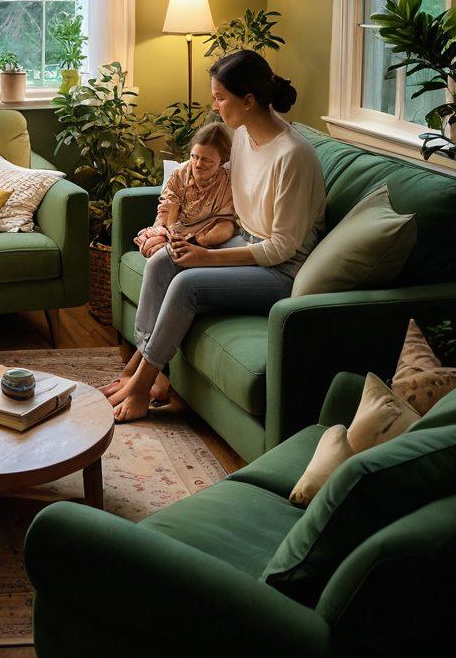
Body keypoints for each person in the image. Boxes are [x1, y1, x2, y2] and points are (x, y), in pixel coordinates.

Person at [106, 49, 326, 423]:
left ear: (249, 100)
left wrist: (207, 256)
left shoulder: (293, 156)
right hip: (247, 244)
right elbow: (234, 213)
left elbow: (282, 247)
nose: (215, 107)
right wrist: (180, 237)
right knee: (162, 262)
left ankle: (141, 387)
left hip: (284, 270)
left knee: (187, 284)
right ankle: (148, 372)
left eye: (221, 98)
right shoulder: (240, 139)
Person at [133, 123, 236, 259]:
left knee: (226, 228)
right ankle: (175, 248)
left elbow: (226, 219)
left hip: (208, 229)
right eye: (194, 156)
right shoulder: (180, 174)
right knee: (150, 244)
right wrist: (171, 234)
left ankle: (199, 246)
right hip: (177, 228)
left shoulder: (227, 181)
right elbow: (169, 207)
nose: (198, 164)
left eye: (206, 160)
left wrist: (203, 239)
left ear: (221, 160)